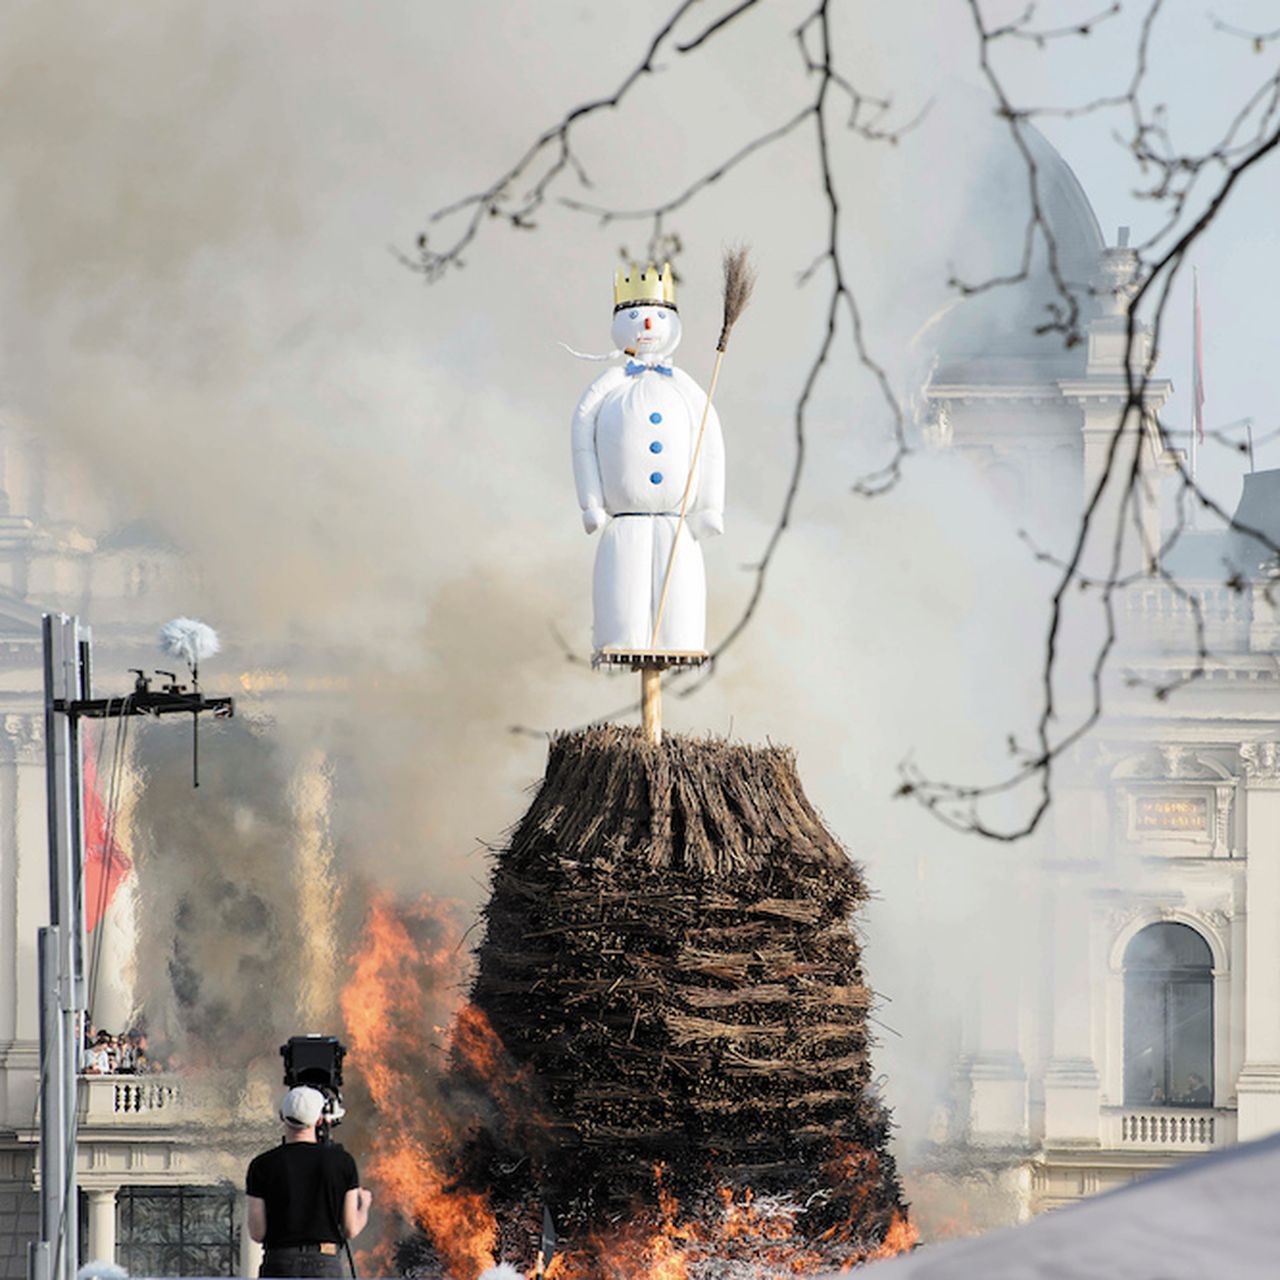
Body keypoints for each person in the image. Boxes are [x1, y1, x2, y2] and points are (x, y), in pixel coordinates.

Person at [246, 1086, 372, 1278]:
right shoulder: (342, 1162)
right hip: (325, 1263)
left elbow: (257, 1233)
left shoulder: (261, 1165)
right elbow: (350, 1228)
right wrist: (364, 1206)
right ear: (320, 1120)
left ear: (282, 1116)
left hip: (279, 1263)